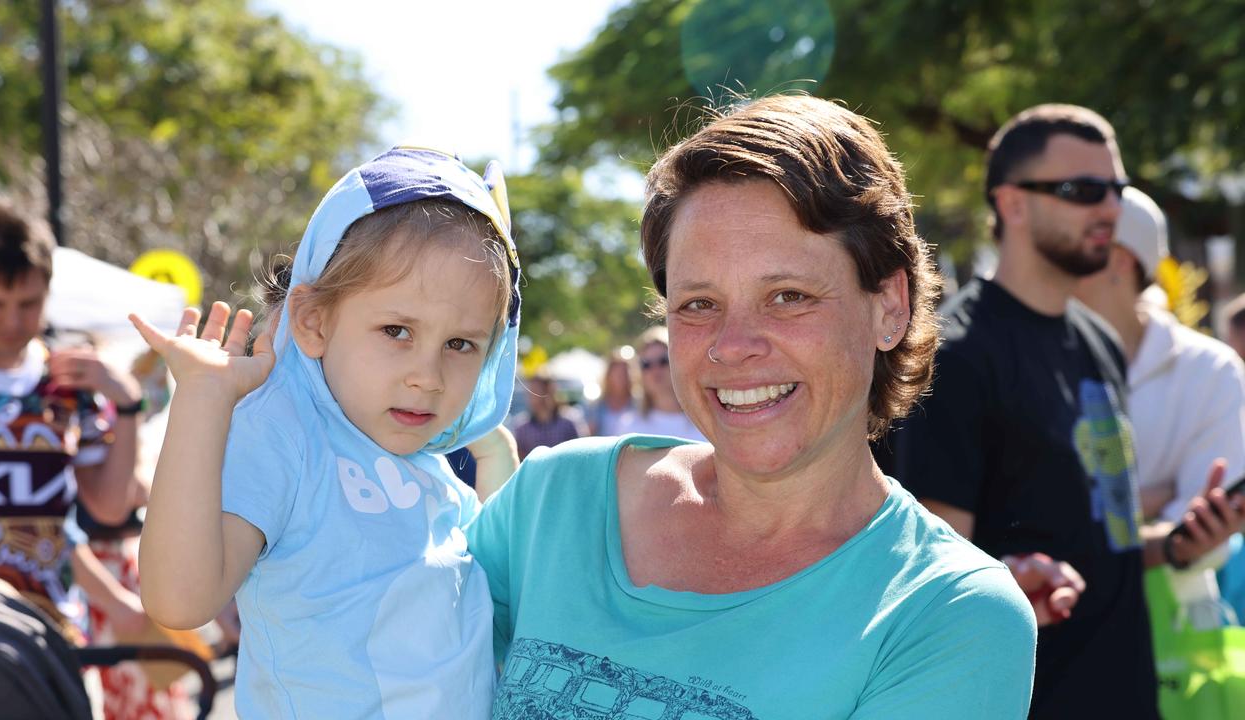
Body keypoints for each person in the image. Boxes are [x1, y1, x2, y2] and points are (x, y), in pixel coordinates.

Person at [466, 95, 1036, 719]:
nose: (733, 346)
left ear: (889, 306)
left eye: (788, 296)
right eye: (698, 304)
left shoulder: (947, 614)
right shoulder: (553, 501)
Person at [129, 147, 523, 719]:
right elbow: (180, 599)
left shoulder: (428, 466)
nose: (428, 377)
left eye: (460, 345)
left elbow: (502, 590)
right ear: (313, 320)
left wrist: (494, 450)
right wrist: (202, 400)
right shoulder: (288, 436)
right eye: (396, 330)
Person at [880, 104, 1245, 718]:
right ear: (1012, 203)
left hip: (1132, 693)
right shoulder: (958, 356)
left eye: (1118, 190)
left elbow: (1103, 537)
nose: (1110, 209)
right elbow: (928, 572)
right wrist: (1008, 576)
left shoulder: (1099, 343)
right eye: (1084, 190)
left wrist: (1180, 543)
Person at [0, 195, 143, 639]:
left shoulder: (69, 384)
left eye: (28, 303)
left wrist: (126, 405)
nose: (12, 320)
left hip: (51, 639)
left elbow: (107, 505)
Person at [1075, 186, 1245, 629]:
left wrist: (1091, 513)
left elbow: (1202, 539)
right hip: (1056, 633)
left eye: (1078, 246)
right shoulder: (1029, 362)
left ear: (1121, 259)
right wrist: (1150, 501)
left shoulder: (1210, 369)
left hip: (1177, 634)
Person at [614, 326, 705, 441]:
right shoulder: (629, 427)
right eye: (646, 364)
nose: (655, 370)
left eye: (663, 361)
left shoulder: (705, 423)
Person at [512, 371, 588, 459]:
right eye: (531, 392)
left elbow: (581, 452)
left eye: (537, 391)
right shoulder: (522, 428)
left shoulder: (569, 422)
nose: (533, 397)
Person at [587, 349, 637, 436]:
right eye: (617, 373)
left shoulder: (639, 404)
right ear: (608, 375)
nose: (621, 377)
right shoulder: (596, 406)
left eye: (624, 373)